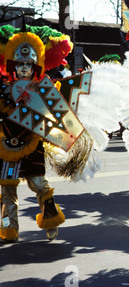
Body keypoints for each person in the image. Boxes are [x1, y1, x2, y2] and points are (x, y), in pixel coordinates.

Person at [0, 26, 73, 242]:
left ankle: (51, 220)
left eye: (28, 64)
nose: (24, 68)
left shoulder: (44, 90)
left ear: (35, 67)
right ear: (14, 66)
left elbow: (59, 123)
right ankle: (7, 229)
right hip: (7, 147)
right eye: (20, 64)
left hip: (32, 144)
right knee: (6, 194)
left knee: (40, 185)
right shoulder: (3, 89)